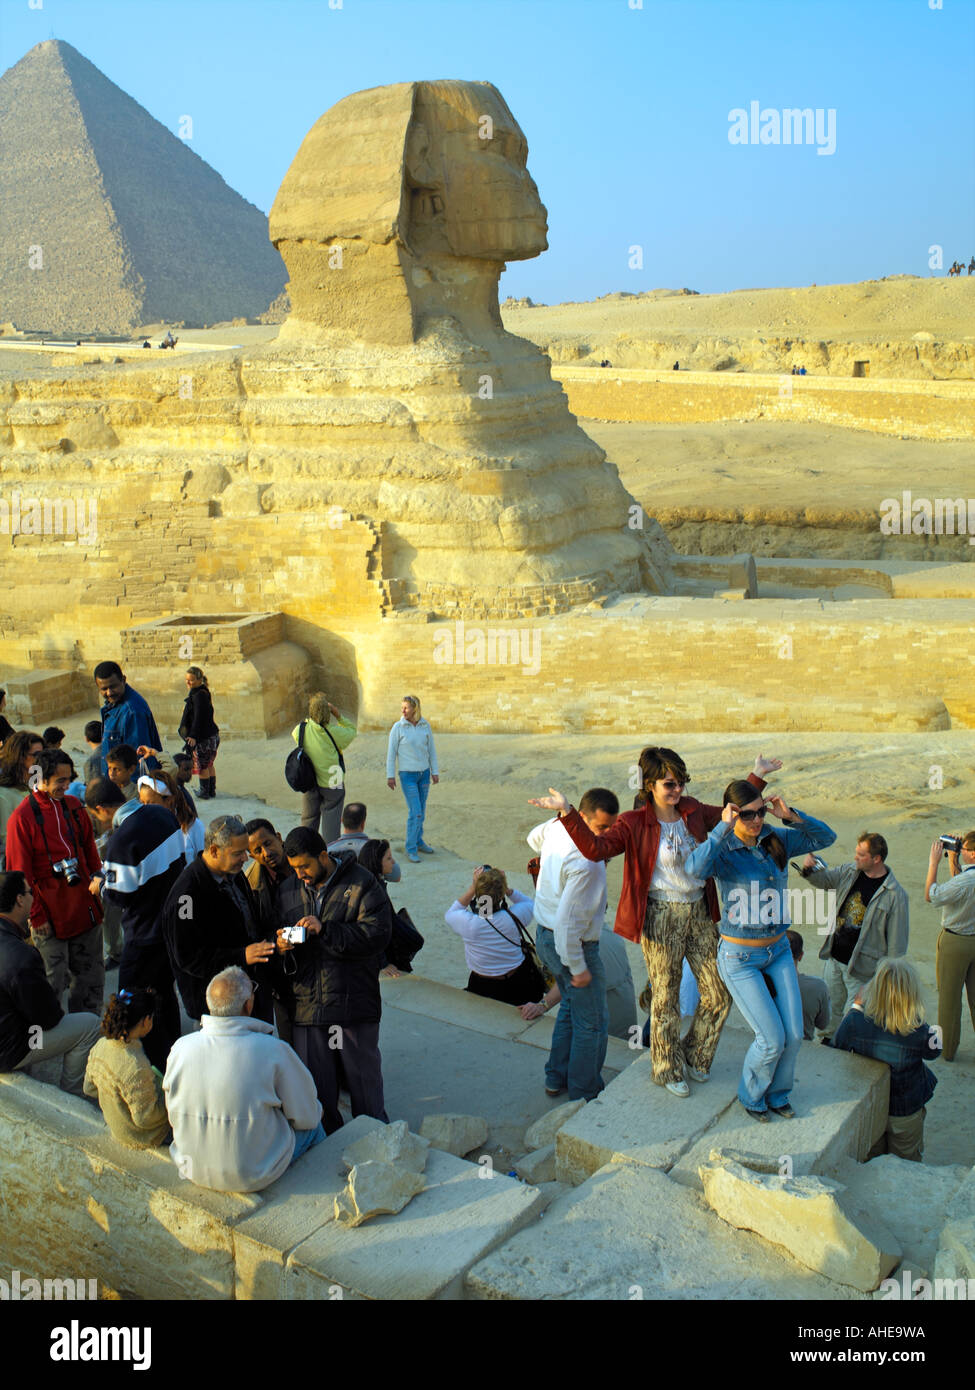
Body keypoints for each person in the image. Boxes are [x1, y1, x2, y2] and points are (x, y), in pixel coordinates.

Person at [531, 750, 778, 1097]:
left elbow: (732, 813)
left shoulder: (692, 810)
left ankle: (694, 1056)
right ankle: (666, 1068)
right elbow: (594, 848)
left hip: (699, 912)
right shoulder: (633, 822)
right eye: (669, 783)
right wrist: (569, 813)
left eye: (681, 781)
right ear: (649, 785)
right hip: (661, 915)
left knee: (719, 993)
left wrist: (756, 775)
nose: (677, 789)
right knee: (666, 999)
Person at [682, 780, 836, 1120]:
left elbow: (826, 838)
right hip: (740, 957)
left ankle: (778, 1095)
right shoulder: (723, 849)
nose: (755, 820)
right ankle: (751, 1097)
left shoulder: (775, 838)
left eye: (760, 812)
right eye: (746, 814)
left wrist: (790, 816)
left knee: (794, 1035)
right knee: (771, 1038)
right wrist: (722, 826)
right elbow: (693, 870)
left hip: (778, 951)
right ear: (732, 814)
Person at [164, 966, 324, 1192]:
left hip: (191, 1168)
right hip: (253, 1174)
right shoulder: (274, 1050)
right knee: (316, 1129)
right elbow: (307, 1116)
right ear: (249, 1004)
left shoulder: (180, 1048)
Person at [279, 826, 392, 1133]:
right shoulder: (288, 889)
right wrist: (282, 944)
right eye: (295, 868)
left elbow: (377, 936)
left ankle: (377, 1140)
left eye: (305, 866)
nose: (300, 873)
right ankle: (327, 1147)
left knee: (364, 1082)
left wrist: (325, 929)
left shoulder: (363, 884)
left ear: (324, 857)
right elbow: (277, 932)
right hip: (308, 1005)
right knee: (317, 1089)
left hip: (353, 1003)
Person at [527, 789, 619, 1101]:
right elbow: (568, 925)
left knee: (570, 1007)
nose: (607, 838)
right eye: (602, 829)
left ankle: (556, 1077)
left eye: (611, 828)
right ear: (586, 819)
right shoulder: (589, 863)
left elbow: (532, 838)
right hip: (572, 945)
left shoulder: (556, 827)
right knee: (593, 1022)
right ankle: (584, 1092)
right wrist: (578, 967)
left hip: (545, 935)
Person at [5, 748, 104, 1014]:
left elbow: (89, 850)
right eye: (60, 781)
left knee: (91, 980)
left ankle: (88, 1035)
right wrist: (36, 917)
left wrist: (97, 879)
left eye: (68, 779)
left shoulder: (74, 808)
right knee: (52, 986)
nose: (66, 785)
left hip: (84, 908)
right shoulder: (22, 820)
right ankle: (54, 1040)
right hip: (48, 919)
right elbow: (19, 874)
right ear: (41, 780)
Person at [97, 787, 186, 1070]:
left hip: (143, 934)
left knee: (131, 1002)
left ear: (101, 809)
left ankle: (152, 1065)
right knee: (164, 993)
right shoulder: (162, 814)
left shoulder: (122, 839)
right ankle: (174, 1055)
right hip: (170, 928)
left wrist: (100, 885)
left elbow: (119, 895)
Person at [161, 815, 280, 1026]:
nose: (246, 858)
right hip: (221, 1006)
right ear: (215, 850)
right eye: (238, 853)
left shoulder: (233, 873)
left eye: (245, 852)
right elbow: (188, 957)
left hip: (252, 989)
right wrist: (242, 955)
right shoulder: (186, 896)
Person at [0, 870, 101, 1096]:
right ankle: (72, 1096)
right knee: (89, 1025)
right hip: (7, 1050)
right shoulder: (21, 955)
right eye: (29, 892)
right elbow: (47, 1018)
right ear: (19, 900)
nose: (33, 897)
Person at [830, 958, 940, 1162]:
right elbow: (934, 1053)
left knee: (871, 1157)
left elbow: (838, 1044)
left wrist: (856, 1006)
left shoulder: (856, 1021)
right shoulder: (919, 1030)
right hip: (906, 1108)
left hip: (872, 1105)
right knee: (907, 1160)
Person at [804, 832, 909, 1039]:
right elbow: (825, 881)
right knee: (829, 1012)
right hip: (834, 958)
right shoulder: (850, 871)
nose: (855, 858)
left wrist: (884, 981)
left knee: (853, 1019)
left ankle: (846, 1056)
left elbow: (897, 947)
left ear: (876, 859)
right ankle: (825, 1048)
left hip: (862, 970)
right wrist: (809, 869)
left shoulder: (896, 896)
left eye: (861, 854)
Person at [83, 987, 171, 1148]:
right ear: (145, 1021)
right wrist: (171, 1101)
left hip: (116, 1125)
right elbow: (145, 1118)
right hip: (139, 1136)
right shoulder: (136, 1066)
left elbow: (89, 1088)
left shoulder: (100, 1045)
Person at [445, 865, 540, 1006]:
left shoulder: (470, 924)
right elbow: (529, 903)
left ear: (477, 893)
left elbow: (452, 912)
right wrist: (506, 888)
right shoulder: (514, 917)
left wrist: (473, 888)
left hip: (482, 984)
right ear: (501, 894)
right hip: (517, 981)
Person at [244, 818, 297, 1043]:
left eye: (268, 843)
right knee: (289, 1041)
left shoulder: (303, 864)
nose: (266, 852)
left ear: (279, 836)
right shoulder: (251, 884)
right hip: (279, 976)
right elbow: (253, 932)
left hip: (316, 969)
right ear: (251, 855)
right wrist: (277, 944)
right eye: (257, 850)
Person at [926, 829, 975, 1061]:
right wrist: (954, 860)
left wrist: (934, 864)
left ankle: (946, 1050)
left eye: (963, 849)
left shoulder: (966, 881)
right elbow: (959, 887)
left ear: (973, 854)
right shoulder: (965, 878)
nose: (959, 851)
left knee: (949, 999)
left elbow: (932, 895)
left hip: (956, 941)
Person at [293, 693, 356, 844]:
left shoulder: (301, 730)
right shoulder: (334, 732)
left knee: (309, 818)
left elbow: (296, 734)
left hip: (310, 780)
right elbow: (351, 730)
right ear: (328, 713)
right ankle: (330, 850)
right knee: (331, 820)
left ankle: (307, 849)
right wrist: (339, 716)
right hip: (333, 780)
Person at [386, 694, 439, 863]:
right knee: (415, 812)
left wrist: (434, 771)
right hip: (407, 776)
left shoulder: (425, 725)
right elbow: (391, 753)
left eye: (406, 707)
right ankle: (410, 848)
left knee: (421, 812)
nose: (403, 710)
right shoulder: (398, 727)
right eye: (402, 707)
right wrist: (390, 775)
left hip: (423, 774)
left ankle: (418, 840)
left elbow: (431, 750)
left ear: (415, 709)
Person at [84, 778, 127, 970]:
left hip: (113, 878)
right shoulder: (89, 819)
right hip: (100, 875)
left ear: (102, 808)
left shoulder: (123, 823)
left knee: (111, 919)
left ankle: (116, 953)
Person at [94, 662, 161, 777]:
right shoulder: (113, 704)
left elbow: (138, 761)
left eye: (113, 686)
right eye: (104, 689)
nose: (109, 692)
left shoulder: (132, 712)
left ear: (123, 680)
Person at [358, 837, 406, 978]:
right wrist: (383, 963)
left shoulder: (372, 882)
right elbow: (371, 929)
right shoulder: (373, 892)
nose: (394, 862)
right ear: (377, 863)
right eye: (389, 858)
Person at [137, 768, 204, 862]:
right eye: (142, 803)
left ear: (169, 800)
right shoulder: (142, 829)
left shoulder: (193, 827)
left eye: (150, 804)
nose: (145, 809)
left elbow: (204, 864)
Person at [0, 729, 43, 869]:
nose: (42, 759)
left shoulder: (37, 786)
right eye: (36, 755)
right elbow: (9, 841)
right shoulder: (4, 795)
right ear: (19, 757)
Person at [327, 803, 402, 881]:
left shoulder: (328, 849)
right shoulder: (376, 848)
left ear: (342, 821)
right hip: (371, 892)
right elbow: (396, 876)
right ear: (363, 823)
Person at [178, 667, 220, 800]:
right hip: (211, 735)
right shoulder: (202, 692)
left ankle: (204, 793)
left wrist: (193, 736)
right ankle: (211, 791)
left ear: (199, 680)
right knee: (209, 764)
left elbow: (199, 718)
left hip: (204, 738)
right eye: (186, 680)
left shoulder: (198, 696)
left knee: (202, 766)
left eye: (191, 680)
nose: (188, 683)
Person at [786, 929, 830, 1040]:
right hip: (803, 1048)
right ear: (801, 956)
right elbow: (823, 1024)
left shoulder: (759, 984)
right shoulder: (818, 987)